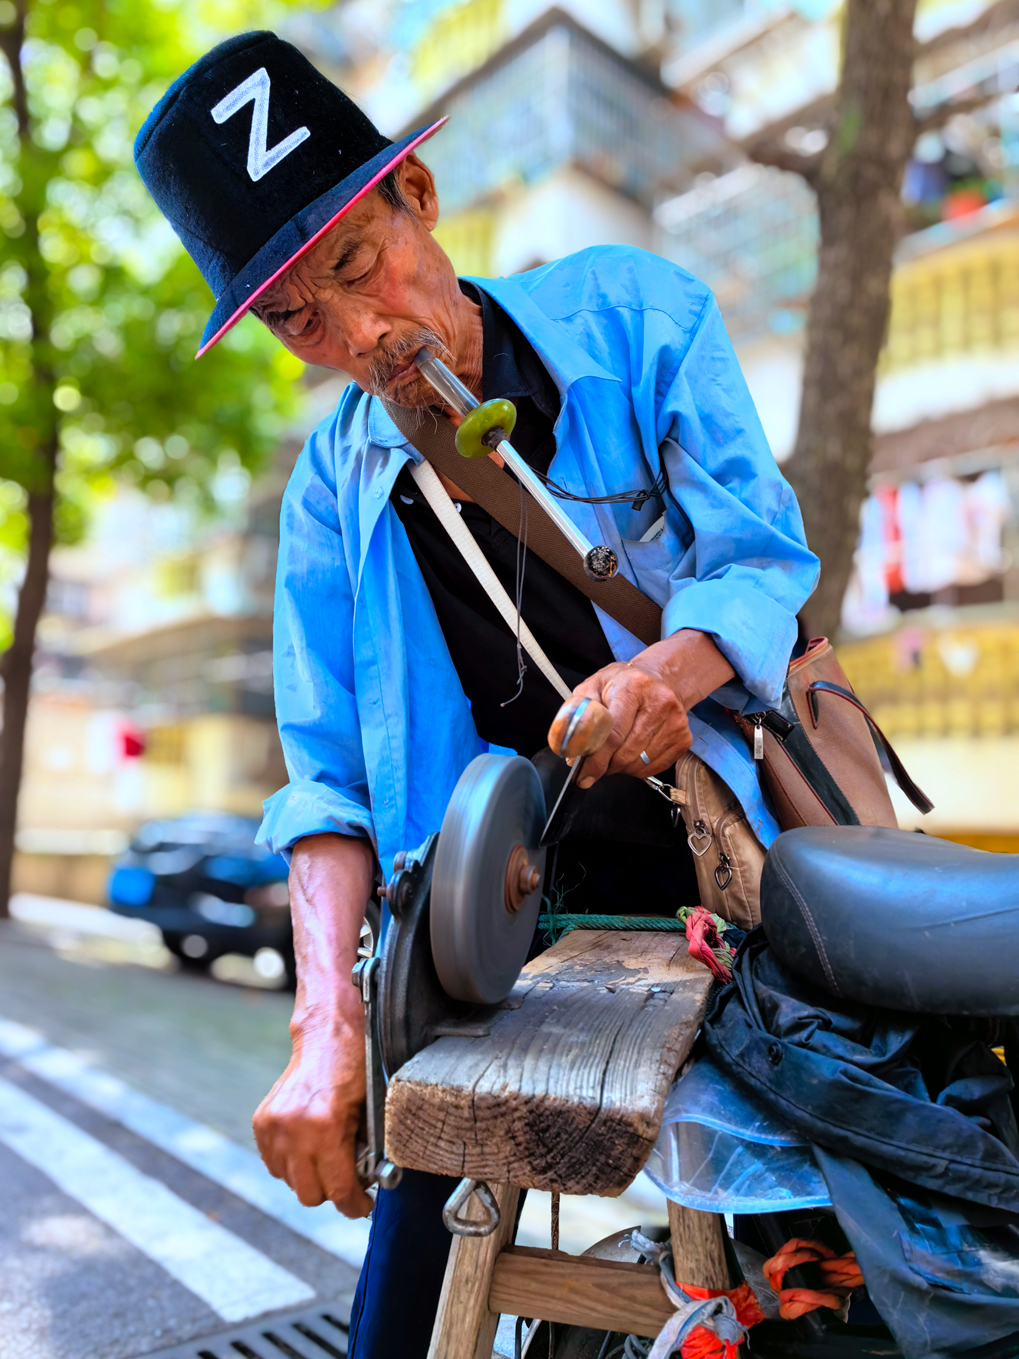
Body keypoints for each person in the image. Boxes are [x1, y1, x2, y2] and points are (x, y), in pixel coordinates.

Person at [134, 30, 819, 1356]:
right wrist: (325, 1022)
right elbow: (324, 779)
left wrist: (673, 670)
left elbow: (758, 558)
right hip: (481, 939)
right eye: (297, 319)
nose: (359, 331)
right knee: (403, 1296)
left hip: (721, 886)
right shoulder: (330, 489)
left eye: (354, 261)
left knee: (806, 1257)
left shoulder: (635, 312)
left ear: (420, 201)